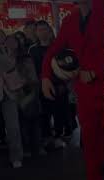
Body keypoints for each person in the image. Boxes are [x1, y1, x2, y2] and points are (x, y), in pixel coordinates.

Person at [41, 0, 104, 179]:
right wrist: (46, 76)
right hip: (84, 91)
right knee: (89, 136)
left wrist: (95, 71)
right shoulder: (70, 20)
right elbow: (54, 49)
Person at [29, 20, 66, 149]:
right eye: (39, 30)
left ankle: (58, 136)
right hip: (41, 85)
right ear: (36, 32)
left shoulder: (57, 48)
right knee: (44, 113)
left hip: (58, 84)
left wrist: (62, 83)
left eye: (44, 29)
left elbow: (63, 67)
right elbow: (32, 69)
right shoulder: (33, 50)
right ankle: (47, 137)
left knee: (59, 112)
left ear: (49, 31)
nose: (42, 32)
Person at [0, 34, 25, 168]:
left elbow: (11, 66)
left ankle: (16, 156)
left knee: (13, 127)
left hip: (9, 92)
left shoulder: (8, 51)